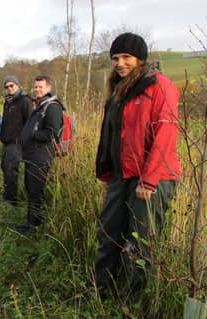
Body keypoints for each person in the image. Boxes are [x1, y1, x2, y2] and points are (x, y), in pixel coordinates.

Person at [90, 32, 180, 301]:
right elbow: (111, 135)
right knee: (108, 234)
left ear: (140, 58)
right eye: (115, 58)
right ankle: (100, 291)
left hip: (152, 180)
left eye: (126, 57)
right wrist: (107, 172)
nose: (120, 63)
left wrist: (149, 180)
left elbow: (166, 133)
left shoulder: (159, 86)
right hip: (121, 176)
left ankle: (131, 306)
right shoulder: (119, 91)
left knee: (140, 243)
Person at [19, 75, 64, 236]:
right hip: (32, 155)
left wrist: (33, 134)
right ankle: (30, 221)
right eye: (36, 86)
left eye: (41, 87)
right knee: (30, 189)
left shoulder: (52, 107)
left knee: (35, 190)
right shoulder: (40, 105)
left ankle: (34, 226)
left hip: (41, 156)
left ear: (49, 88)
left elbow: (51, 132)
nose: (37, 89)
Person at [0, 75, 33, 205]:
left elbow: (29, 122)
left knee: (11, 169)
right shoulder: (8, 101)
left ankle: (12, 200)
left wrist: (23, 139)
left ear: (17, 85)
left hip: (17, 142)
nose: (9, 88)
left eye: (11, 85)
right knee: (5, 168)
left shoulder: (25, 100)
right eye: (6, 87)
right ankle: (7, 195)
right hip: (7, 141)